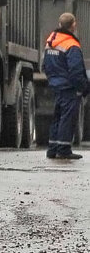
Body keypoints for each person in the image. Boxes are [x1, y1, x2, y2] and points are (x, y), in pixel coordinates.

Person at [42, 12, 90, 160]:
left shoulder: (51, 40)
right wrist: (84, 87)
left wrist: (53, 80)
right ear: (73, 25)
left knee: (57, 117)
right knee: (67, 118)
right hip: (69, 87)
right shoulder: (71, 44)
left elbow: (45, 65)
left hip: (56, 84)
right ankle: (63, 149)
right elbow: (76, 70)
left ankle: (53, 148)